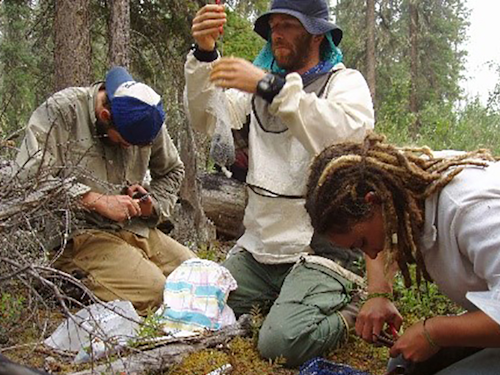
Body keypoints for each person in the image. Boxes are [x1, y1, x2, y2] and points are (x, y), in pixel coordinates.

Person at [185, 0, 374, 367]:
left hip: (319, 251)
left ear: (317, 33)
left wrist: (272, 87)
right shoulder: (257, 85)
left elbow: (348, 137)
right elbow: (209, 119)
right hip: (259, 248)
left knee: (279, 343)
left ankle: (348, 309)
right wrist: (204, 53)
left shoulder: (343, 83)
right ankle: (285, 300)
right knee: (198, 308)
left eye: (289, 24)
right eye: (274, 25)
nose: (277, 33)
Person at [305, 132, 500, 374]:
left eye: (362, 242)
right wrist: (378, 294)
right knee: (403, 365)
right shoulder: (402, 187)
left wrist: (434, 332)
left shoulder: (472, 211)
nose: (372, 254)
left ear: (373, 201)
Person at [15, 66, 196, 316]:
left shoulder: (145, 114)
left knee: (198, 276)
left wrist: (150, 204)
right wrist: (94, 200)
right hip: (79, 234)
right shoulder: (63, 111)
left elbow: (173, 170)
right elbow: (28, 178)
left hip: (135, 227)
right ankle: (66, 279)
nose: (128, 149)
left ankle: (126, 269)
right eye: (123, 143)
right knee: (156, 292)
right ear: (104, 114)